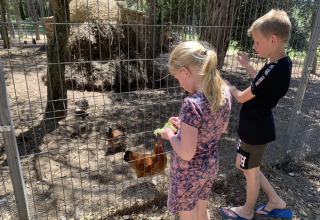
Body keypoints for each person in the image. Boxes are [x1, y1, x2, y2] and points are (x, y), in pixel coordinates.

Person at [220, 9, 293, 220]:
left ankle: (247, 210)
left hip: (255, 129)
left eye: (257, 42)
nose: (253, 46)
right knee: (246, 166)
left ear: (273, 39)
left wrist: (226, 85)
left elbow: (243, 97)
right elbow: (261, 83)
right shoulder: (280, 63)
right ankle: (275, 200)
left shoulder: (274, 68)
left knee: (250, 171)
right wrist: (248, 66)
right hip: (256, 126)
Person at [157, 41, 231, 220]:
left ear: (185, 72)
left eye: (178, 78)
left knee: (187, 214)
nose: (180, 83)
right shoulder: (223, 93)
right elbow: (221, 128)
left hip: (188, 172)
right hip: (210, 165)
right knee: (201, 208)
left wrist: (171, 135)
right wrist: (185, 126)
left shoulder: (192, 104)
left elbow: (187, 152)